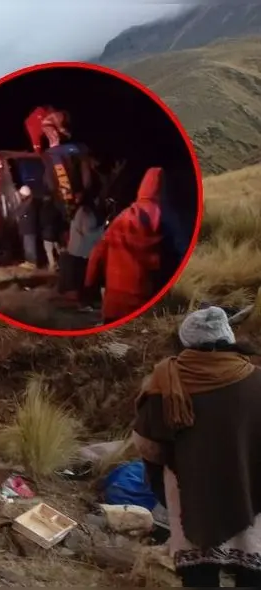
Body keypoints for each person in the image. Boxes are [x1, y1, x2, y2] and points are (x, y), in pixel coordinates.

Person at [133, 307, 261, 588]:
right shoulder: (257, 380)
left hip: (191, 501)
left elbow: (148, 447)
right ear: (228, 338)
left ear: (187, 341)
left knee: (199, 577)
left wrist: (160, 483)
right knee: (252, 576)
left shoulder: (165, 383)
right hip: (252, 498)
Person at [85, 167, 166, 324]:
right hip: (147, 298)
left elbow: (98, 253)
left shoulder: (123, 218)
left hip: (116, 299)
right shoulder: (168, 220)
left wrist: (90, 283)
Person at [59, 202, 105, 311]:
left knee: (82, 278)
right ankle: (84, 303)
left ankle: (84, 301)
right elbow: (88, 232)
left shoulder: (82, 211)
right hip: (82, 251)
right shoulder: (85, 213)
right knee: (84, 278)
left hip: (79, 250)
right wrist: (103, 230)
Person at [14, 185, 40, 270]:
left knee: (30, 246)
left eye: (21, 195)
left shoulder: (28, 204)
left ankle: (32, 262)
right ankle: (29, 261)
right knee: (27, 245)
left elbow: (18, 212)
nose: (20, 196)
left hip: (29, 229)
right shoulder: (29, 202)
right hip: (27, 229)